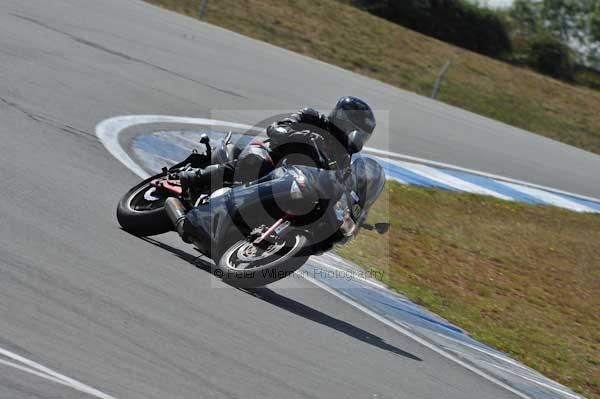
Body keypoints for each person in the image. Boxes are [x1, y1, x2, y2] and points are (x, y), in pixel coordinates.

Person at [177, 96, 376, 192]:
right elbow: (281, 125)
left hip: (293, 183)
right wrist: (285, 130)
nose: (357, 139)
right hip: (270, 155)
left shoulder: (344, 159)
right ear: (343, 121)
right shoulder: (313, 118)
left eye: (362, 136)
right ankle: (192, 178)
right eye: (355, 132)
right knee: (255, 163)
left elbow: (344, 184)